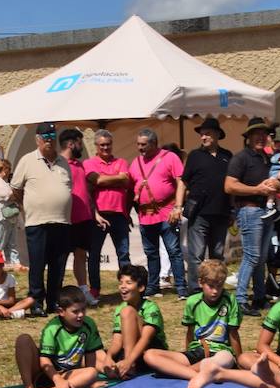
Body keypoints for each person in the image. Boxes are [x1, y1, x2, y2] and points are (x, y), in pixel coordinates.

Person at [144, 259, 243, 388]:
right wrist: (188, 353)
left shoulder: (230, 300)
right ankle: (197, 374)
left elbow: (233, 334)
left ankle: (180, 372)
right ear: (201, 282)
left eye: (219, 286)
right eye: (211, 286)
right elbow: (189, 332)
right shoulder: (192, 302)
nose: (215, 291)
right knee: (150, 355)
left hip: (221, 351)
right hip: (198, 350)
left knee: (225, 358)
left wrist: (239, 360)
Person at [12, 121, 74, 313]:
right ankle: (36, 303)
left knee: (58, 265)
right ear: (37, 139)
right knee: (37, 264)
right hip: (37, 222)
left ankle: (54, 301)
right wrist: (29, 205)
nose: (49, 141)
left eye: (52, 137)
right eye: (45, 138)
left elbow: (68, 188)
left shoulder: (64, 162)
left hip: (62, 222)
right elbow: (15, 189)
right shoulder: (27, 160)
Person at [224, 118, 280, 315]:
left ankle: (259, 297)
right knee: (252, 255)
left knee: (262, 257)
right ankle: (240, 300)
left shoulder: (266, 158)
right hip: (249, 210)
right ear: (248, 137)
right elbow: (229, 186)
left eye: (263, 134)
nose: (260, 137)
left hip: (265, 210)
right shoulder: (241, 158)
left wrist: (276, 186)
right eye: (255, 133)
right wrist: (256, 189)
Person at [15, 285, 108, 388]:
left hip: (68, 375)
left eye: (83, 309)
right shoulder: (52, 328)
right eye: (75, 311)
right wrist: (58, 380)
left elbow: (90, 354)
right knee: (23, 339)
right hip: (44, 375)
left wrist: (90, 381)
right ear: (61, 312)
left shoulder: (89, 325)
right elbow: (44, 361)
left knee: (92, 372)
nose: (81, 315)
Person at [130, 129, 187, 299]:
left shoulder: (170, 157)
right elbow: (130, 185)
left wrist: (178, 207)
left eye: (143, 144)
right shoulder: (135, 162)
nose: (140, 148)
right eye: (138, 144)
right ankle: (153, 287)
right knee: (151, 253)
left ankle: (181, 288)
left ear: (154, 144)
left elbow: (181, 181)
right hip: (145, 216)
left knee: (174, 251)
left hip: (167, 213)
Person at [181, 117, 234, 286]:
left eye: (207, 134)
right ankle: (196, 290)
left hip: (221, 213)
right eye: (201, 134)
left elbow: (232, 184)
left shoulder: (227, 156)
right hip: (199, 214)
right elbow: (183, 182)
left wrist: (232, 209)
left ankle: (215, 288)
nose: (203, 137)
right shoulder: (194, 156)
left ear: (217, 135)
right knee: (196, 256)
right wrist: (177, 206)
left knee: (217, 256)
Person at [60, 129, 104, 305]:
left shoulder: (80, 165)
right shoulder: (58, 164)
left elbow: (84, 192)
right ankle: (57, 292)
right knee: (61, 257)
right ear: (71, 144)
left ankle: (84, 290)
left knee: (81, 255)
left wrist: (95, 213)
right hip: (65, 219)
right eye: (79, 142)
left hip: (84, 218)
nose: (81, 146)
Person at [107, 263, 167, 379]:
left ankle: (129, 366)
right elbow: (117, 341)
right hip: (130, 353)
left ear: (141, 288)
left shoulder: (151, 307)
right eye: (121, 283)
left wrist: (128, 361)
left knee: (128, 311)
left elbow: (146, 339)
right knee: (98, 356)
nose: (123, 286)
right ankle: (123, 367)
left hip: (150, 351)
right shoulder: (120, 308)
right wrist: (108, 357)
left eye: (128, 283)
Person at [87, 129, 133, 270]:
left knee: (124, 254)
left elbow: (126, 181)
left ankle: (126, 284)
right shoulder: (89, 163)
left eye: (108, 144)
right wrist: (117, 178)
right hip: (98, 215)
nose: (106, 147)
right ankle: (94, 289)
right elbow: (98, 180)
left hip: (120, 215)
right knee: (94, 254)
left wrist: (103, 179)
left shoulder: (121, 162)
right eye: (102, 145)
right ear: (96, 146)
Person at [0, 158, 22, 269]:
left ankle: (14, 264)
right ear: (4, 169)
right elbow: (9, 194)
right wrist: (16, 194)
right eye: (8, 169)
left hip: (9, 216)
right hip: (1, 217)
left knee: (12, 243)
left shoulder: (3, 181)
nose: (9, 171)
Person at [0, 248, 34, 320]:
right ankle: (12, 314)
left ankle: (1, 315)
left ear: (3, 264)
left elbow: (11, 300)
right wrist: (0, 307)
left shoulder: (10, 277)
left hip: (7, 305)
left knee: (30, 300)